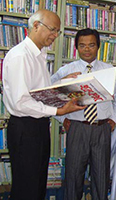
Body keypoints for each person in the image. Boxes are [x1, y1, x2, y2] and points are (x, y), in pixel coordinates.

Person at [2, 9, 86, 200]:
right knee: (26, 187)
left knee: (38, 184)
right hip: (25, 127)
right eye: (52, 30)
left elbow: (39, 91)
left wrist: (61, 83)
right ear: (36, 26)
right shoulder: (20, 56)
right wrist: (58, 110)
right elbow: (21, 102)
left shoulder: (39, 55)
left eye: (58, 31)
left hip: (38, 126)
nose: (55, 35)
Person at [51, 28, 116, 200]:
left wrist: (114, 119)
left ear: (98, 46)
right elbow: (50, 94)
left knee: (101, 177)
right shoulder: (67, 71)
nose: (87, 49)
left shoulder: (109, 71)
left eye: (91, 45)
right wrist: (62, 118)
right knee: (73, 176)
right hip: (77, 128)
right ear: (76, 47)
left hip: (102, 128)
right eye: (82, 45)